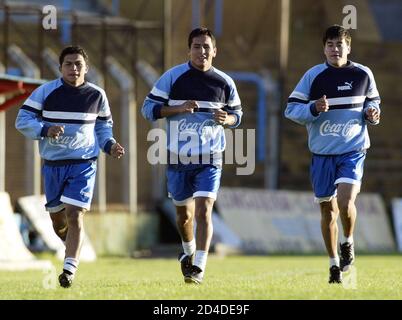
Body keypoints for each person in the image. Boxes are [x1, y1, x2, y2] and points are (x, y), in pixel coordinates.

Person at [15, 45, 125, 288]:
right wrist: (45, 129)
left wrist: (110, 145)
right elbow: (22, 120)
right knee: (58, 221)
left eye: (78, 64)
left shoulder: (97, 95)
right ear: (60, 68)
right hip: (53, 164)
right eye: (68, 64)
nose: (74, 68)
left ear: (87, 68)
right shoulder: (46, 92)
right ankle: (71, 244)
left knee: (75, 214)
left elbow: (103, 128)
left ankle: (69, 271)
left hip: (83, 163)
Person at [142, 27, 242, 284]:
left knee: (203, 211)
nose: (202, 51)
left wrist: (227, 118)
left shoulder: (224, 82)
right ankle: (187, 254)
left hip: (210, 157)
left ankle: (198, 267)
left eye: (207, 47)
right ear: (189, 50)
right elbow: (148, 109)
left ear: (215, 51)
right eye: (197, 46)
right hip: (178, 157)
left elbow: (237, 116)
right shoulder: (173, 78)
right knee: (183, 215)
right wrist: (177, 108)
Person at [285, 25, 381, 283]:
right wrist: (313, 109)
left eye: (340, 44)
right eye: (330, 44)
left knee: (345, 202)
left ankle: (347, 242)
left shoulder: (363, 74)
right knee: (328, 212)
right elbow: (291, 110)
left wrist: (372, 114)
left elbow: (373, 104)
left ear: (348, 47)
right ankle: (333, 264)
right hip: (322, 154)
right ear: (324, 48)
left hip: (352, 150)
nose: (335, 49)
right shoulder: (313, 76)